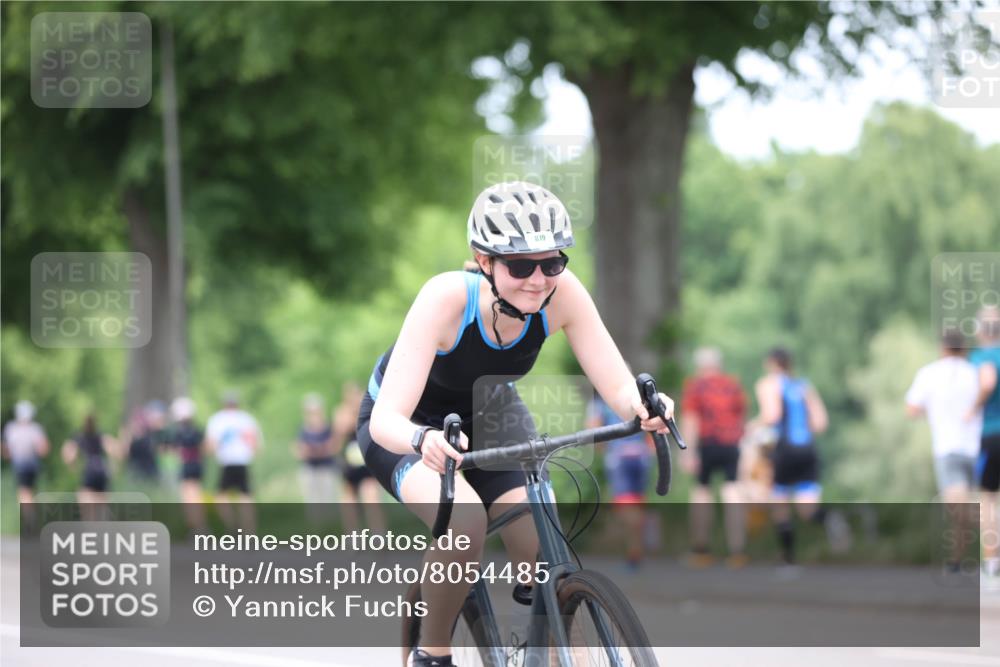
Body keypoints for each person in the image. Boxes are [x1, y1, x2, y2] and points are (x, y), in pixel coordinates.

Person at [358, 181, 675, 666]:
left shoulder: (563, 294)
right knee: (465, 522)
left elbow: (617, 383)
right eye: (520, 266)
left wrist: (644, 406)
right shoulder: (445, 299)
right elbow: (386, 419)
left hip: (491, 413)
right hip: (409, 426)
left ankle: (562, 652)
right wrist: (423, 440)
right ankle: (432, 650)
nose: (538, 280)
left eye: (551, 263)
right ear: (484, 261)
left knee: (545, 551)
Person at [906, 330, 982, 571]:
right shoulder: (976, 372)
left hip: (948, 448)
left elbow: (911, 409)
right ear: (965, 349)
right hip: (978, 447)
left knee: (959, 509)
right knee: (975, 505)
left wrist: (934, 410)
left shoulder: (929, 373)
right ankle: (958, 559)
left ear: (942, 348)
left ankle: (959, 559)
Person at [753, 347, 829, 569]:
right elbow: (820, 423)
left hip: (784, 450)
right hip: (807, 449)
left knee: (780, 503)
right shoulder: (803, 386)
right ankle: (832, 521)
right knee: (808, 510)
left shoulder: (768, 384)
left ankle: (788, 558)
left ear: (770, 363)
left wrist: (752, 426)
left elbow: (772, 415)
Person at [680, 347, 749, 568]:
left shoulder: (695, 386)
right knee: (732, 491)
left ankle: (701, 551)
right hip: (731, 444)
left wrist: (688, 452)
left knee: (702, 492)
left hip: (707, 443)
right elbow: (742, 416)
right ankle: (737, 552)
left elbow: (691, 419)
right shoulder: (732, 385)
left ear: (700, 366)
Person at [585, 392, 654, 570]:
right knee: (636, 504)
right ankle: (637, 549)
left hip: (619, 457)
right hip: (641, 456)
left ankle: (634, 553)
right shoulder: (637, 398)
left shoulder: (599, 402)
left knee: (626, 508)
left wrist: (603, 450)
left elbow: (593, 431)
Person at [970, 306, 1000, 579]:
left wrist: (972, 408)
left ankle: (992, 561)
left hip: (991, 434)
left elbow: (988, 381)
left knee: (988, 499)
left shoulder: (981, 357)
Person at [206, 391, 262, 532]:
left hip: (227, 462)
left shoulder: (218, 419)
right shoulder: (246, 419)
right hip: (243, 461)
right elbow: (256, 443)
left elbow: (211, 445)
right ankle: (249, 530)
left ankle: (233, 526)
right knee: (246, 497)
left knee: (220, 498)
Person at [332, 382, 385, 532]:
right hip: (349, 463)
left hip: (366, 462)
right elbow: (337, 440)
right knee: (349, 501)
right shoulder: (341, 413)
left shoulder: (368, 409)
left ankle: (378, 535)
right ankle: (352, 536)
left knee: (371, 498)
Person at [61, 414, 116, 521]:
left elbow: (68, 454)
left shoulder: (78, 437)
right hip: (102, 470)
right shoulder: (101, 436)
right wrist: (113, 466)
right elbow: (115, 450)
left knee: (86, 504)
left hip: (89, 471)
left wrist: (72, 466)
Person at [296, 393, 339, 523]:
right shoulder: (303, 429)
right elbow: (299, 450)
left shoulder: (328, 427)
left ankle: (329, 525)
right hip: (310, 468)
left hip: (327, 467)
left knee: (328, 497)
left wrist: (317, 450)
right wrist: (317, 450)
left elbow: (333, 446)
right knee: (313, 499)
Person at [2, 400, 50, 510]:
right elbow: (44, 449)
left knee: (24, 493)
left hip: (20, 465)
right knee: (30, 492)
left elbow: (6, 450)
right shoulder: (35, 428)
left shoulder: (11, 428)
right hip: (33, 465)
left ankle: (28, 517)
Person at [169, 397, 207, 532]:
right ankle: (200, 526)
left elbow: (174, 450)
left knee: (187, 497)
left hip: (186, 466)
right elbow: (204, 448)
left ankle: (195, 527)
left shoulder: (178, 432)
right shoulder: (198, 430)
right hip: (197, 465)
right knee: (196, 495)